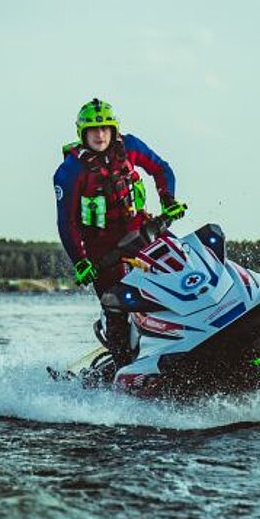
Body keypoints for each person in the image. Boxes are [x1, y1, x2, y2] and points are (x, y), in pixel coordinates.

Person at [53, 98, 186, 369]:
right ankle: (124, 365)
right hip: (103, 251)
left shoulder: (131, 146)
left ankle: (201, 324)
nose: (100, 135)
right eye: (93, 130)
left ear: (113, 130)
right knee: (117, 305)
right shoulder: (68, 172)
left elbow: (161, 169)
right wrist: (80, 261)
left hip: (143, 232)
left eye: (104, 128)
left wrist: (168, 200)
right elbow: (67, 223)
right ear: (83, 133)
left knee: (183, 264)